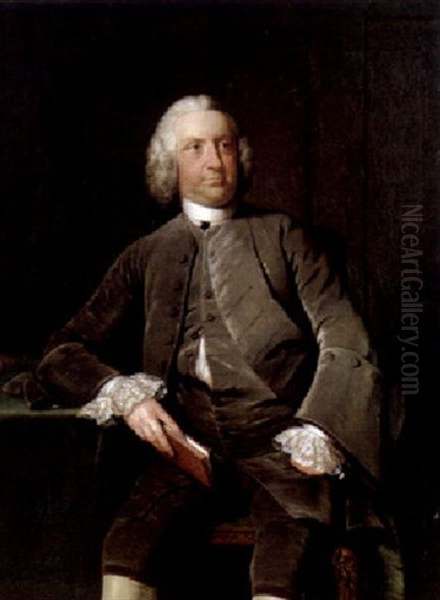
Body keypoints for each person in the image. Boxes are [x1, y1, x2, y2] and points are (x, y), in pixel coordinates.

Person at [33, 95, 383, 600]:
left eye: (223, 146)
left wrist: (318, 430)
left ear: (239, 157)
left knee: (283, 568)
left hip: (280, 453)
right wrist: (123, 393)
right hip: (184, 453)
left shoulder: (286, 236)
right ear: (169, 166)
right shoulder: (147, 253)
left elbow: (345, 338)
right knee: (125, 554)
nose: (214, 161)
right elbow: (64, 349)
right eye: (195, 148)